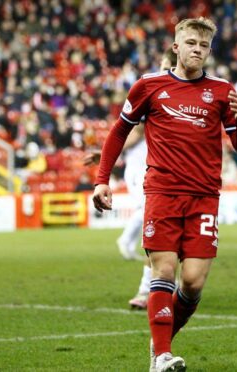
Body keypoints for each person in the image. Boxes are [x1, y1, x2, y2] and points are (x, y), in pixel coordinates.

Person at [92, 17, 237, 372]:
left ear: (209, 52)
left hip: (204, 196)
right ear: (176, 46)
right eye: (191, 42)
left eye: (203, 45)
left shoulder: (223, 91)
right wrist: (102, 179)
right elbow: (119, 131)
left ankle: (160, 339)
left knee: (193, 283)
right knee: (163, 269)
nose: (197, 49)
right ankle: (162, 356)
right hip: (162, 192)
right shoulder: (149, 86)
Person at [84, 48, 178, 311]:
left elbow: (136, 132)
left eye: (162, 64)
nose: (159, 67)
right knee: (153, 219)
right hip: (146, 169)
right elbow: (130, 129)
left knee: (167, 232)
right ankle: (146, 287)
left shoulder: (171, 93)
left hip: (162, 170)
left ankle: (160, 285)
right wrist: (107, 155)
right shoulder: (156, 91)